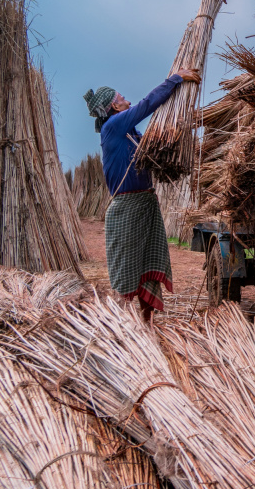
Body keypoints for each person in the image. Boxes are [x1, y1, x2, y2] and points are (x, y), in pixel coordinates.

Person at [83, 68, 199, 323]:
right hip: (127, 208)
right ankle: (124, 324)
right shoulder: (114, 125)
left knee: (148, 264)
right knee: (127, 267)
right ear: (114, 105)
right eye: (121, 97)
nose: (127, 100)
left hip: (146, 205)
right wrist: (176, 79)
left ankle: (146, 322)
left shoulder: (131, 133)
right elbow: (147, 105)